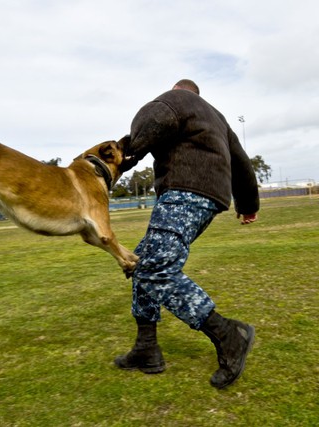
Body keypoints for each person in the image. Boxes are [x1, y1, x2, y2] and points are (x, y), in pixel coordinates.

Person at [115, 79, 259, 389]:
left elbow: (154, 116)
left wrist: (126, 155)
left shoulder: (176, 100)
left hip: (184, 191)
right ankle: (146, 347)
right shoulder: (217, 117)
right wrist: (248, 204)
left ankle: (228, 335)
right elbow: (242, 162)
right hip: (211, 198)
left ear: (178, 89)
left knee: (155, 269)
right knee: (142, 262)